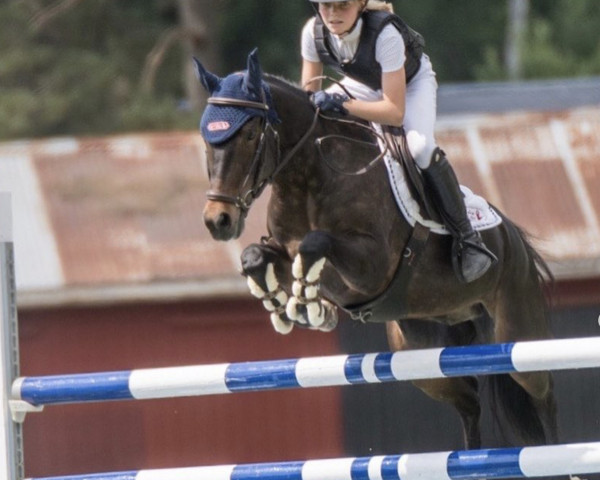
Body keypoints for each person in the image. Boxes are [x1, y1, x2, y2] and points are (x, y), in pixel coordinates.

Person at [300, 0, 497, 283]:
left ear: (359, 5)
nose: (332, 14)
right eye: (325, 5)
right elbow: (308, 97)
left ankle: (468, 238)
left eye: (342, 6)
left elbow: (393, 112)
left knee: (420, 149)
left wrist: (344, 106)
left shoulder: (385, 34)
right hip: (363, 84)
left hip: (411, 85)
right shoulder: (312, 32)